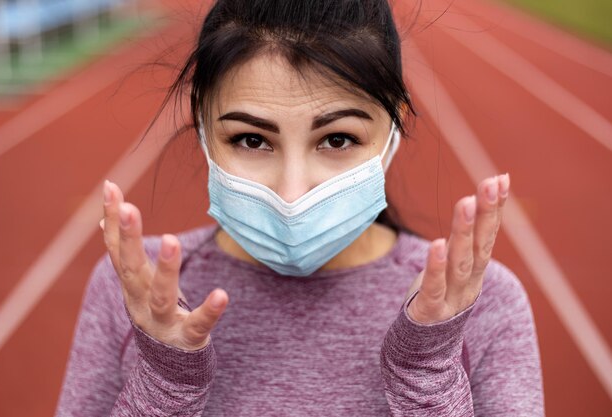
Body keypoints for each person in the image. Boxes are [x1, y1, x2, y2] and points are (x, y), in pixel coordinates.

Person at [55, 0, 544, 415]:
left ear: (392, 132)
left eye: (337, 138)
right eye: (251, 139)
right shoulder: (131, 296)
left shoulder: (486, 307)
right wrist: (164, 388)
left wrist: (427, 375)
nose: (293, 195)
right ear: (203, 127)